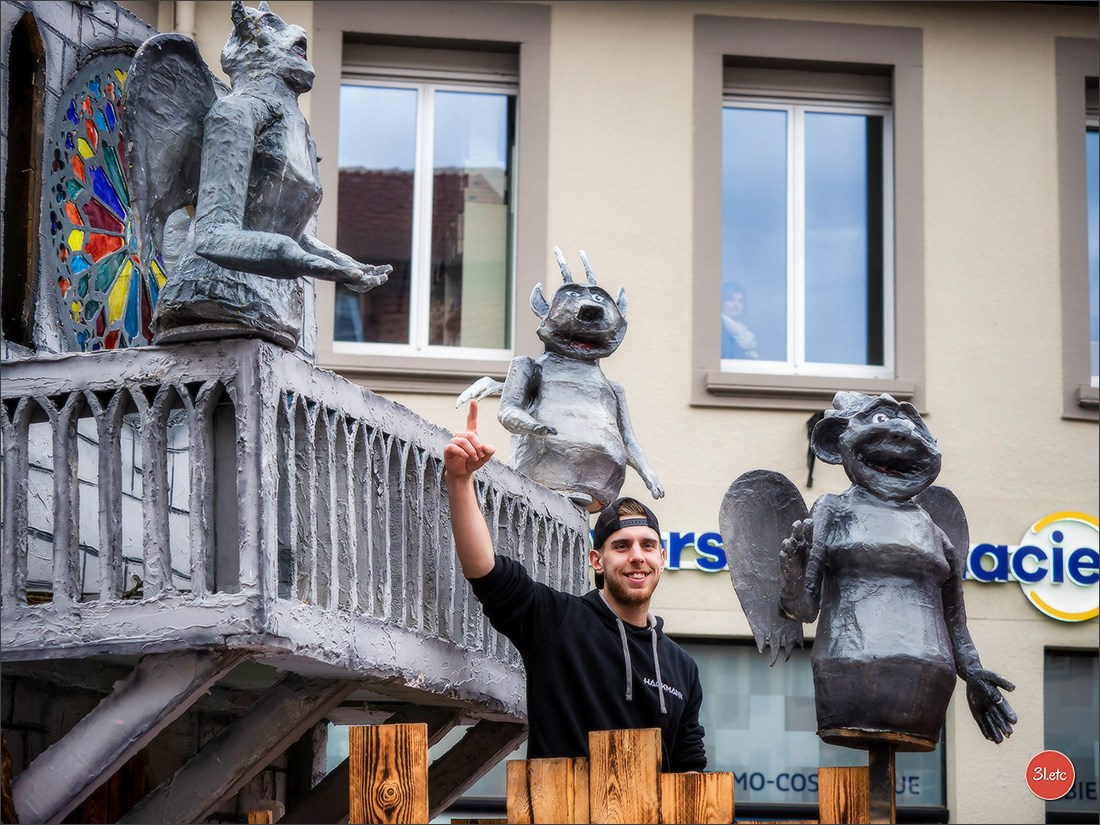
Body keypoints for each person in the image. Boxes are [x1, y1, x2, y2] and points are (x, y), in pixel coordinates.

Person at [444, 401, 706, 772]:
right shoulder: (559, 622)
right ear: (597, 560)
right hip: (561, 801)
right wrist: (460, 481)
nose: (637, 556)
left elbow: (689, 765)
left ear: (661, 558)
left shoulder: (682, 666)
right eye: (622, 546)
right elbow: (486, 573)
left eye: (647, 546)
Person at [720, 284, 759, 359]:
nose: (736, 305)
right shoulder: (719, 327)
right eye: (731, 300)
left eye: (740, 301)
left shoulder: (744, 331)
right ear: (722, 303)